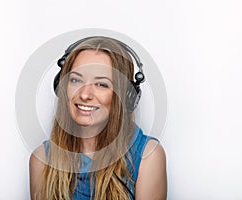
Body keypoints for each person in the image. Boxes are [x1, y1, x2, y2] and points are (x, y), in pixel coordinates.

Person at [29, 36, 167, 200]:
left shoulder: (147, 156)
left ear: (125, 96)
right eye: (76, 80)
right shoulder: (42, 159)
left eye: (101, 84)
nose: (85, 94)